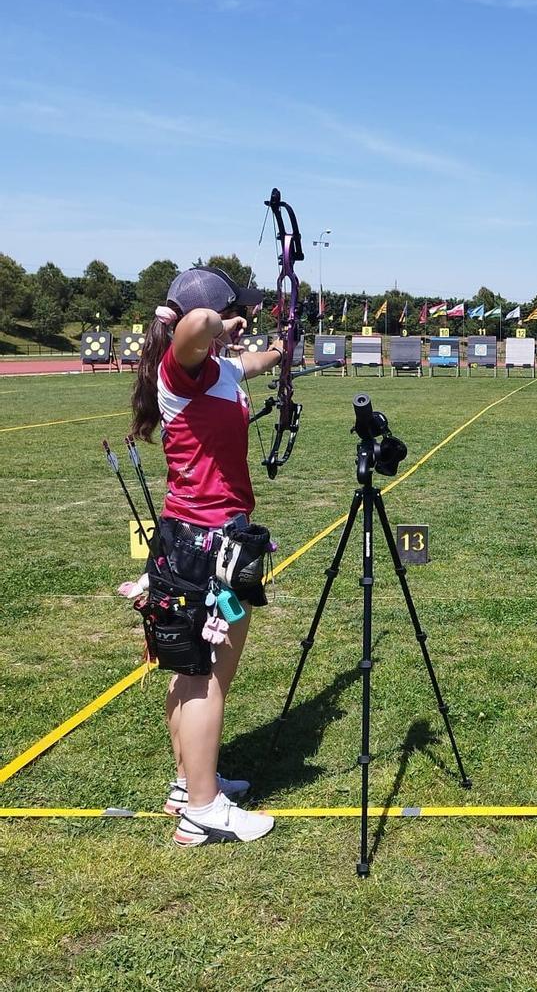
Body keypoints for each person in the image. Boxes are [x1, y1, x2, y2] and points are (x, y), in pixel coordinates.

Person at [130, 266, 285, 846]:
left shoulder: (215, 370)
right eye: (226, 313)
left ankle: (188, 779)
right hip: (204, 541)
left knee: (192, 667)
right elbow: (194, 324)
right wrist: (218, 320)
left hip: (202, 536)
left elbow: (253, 364)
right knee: (206, 676)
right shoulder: (183, 366)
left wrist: (277, 348)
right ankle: (203, 808)